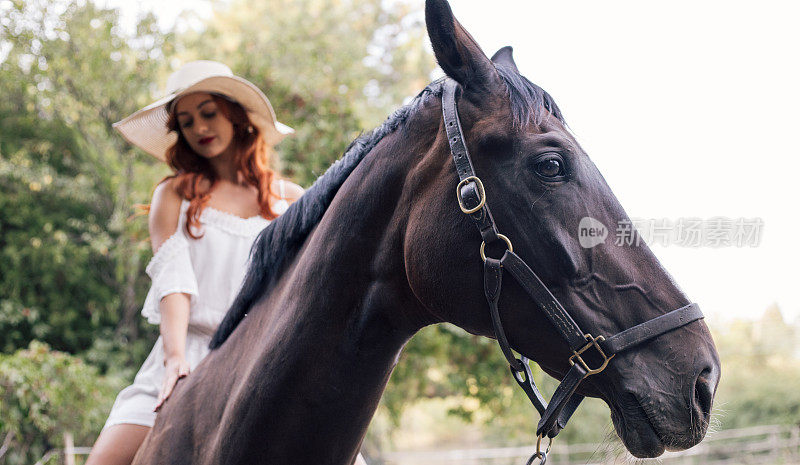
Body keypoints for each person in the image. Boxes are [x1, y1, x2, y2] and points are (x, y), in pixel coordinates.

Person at [86, 60, 304, 465]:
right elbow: (174, 285)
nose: (199, 128)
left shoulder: (290, 199)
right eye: (186, 121)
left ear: (236, 118)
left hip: (262, 358)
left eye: (209, 114)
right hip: (186, 352)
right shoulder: (173, 196)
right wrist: (174, 360)